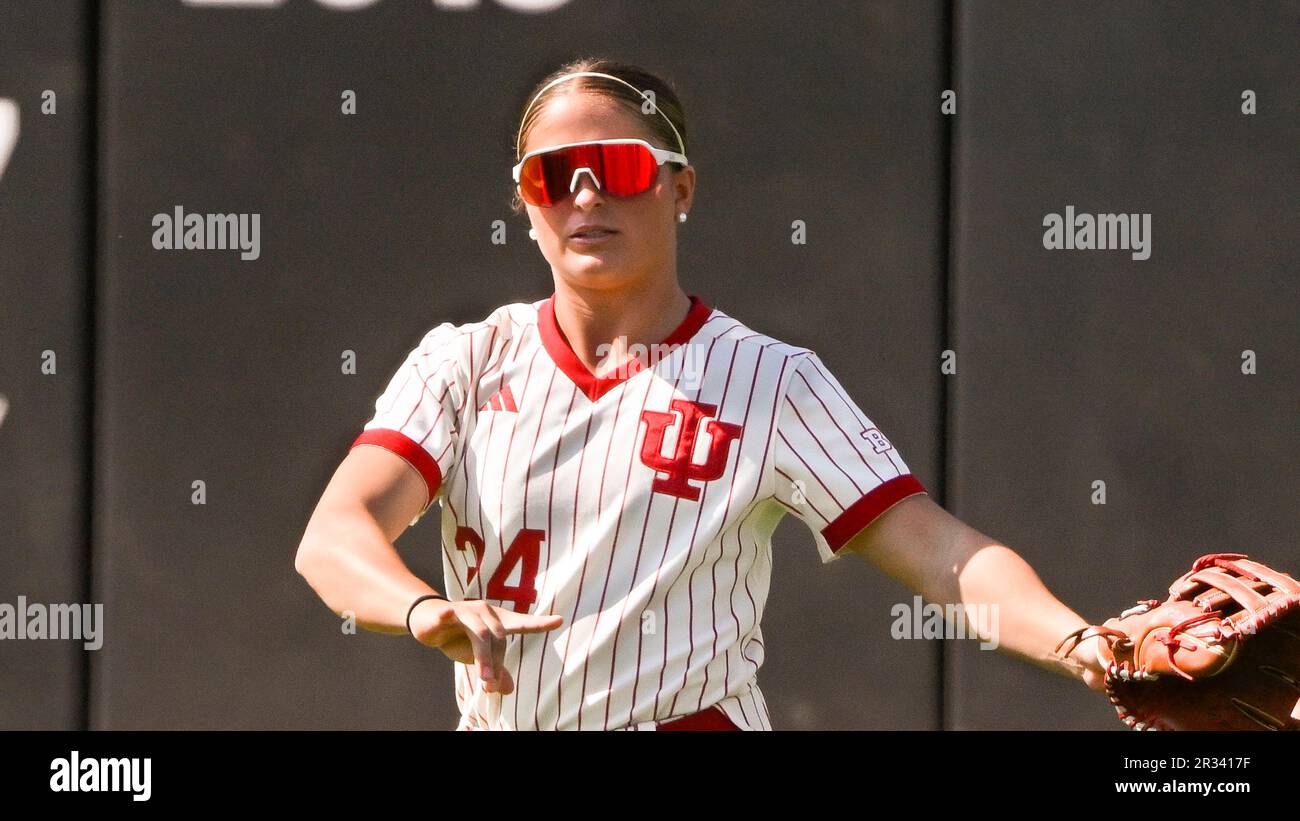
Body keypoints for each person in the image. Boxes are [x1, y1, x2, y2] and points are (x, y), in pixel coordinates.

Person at [294, 57, 1108, 730]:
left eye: (616, 166)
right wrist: (420, 609)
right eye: (552, 176)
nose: (585, 195)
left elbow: (943, 556)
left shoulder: (771, 380)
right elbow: (336, 534)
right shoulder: (464, 362)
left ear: (680, 188)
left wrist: (1096, 647)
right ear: (526, 203)